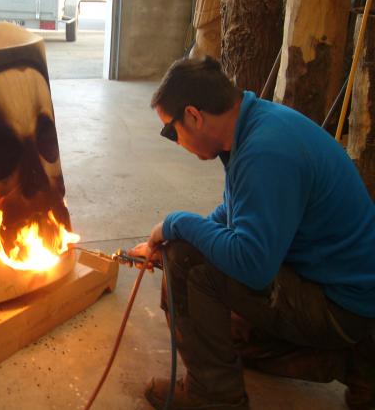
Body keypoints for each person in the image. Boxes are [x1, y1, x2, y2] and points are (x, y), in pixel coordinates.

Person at [129, 56, 375, 410]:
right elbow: (236, 213)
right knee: (227, 330)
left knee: (185, 261)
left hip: (341, 307)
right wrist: (172, 235)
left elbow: (253, 264)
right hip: (343, 291)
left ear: (194, 116)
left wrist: (176, 225)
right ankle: (356, 362)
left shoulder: (266, 152)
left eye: (171, 131)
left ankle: (213, 396)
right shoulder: (256, 125)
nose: (175, 141)